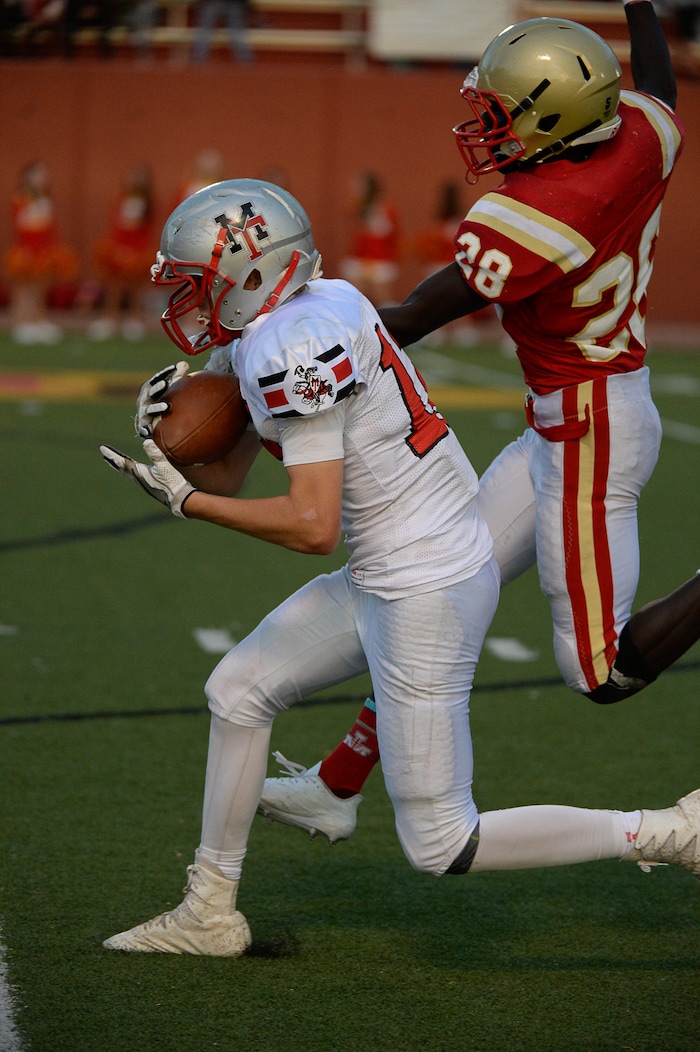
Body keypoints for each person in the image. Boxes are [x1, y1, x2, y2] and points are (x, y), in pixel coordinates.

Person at [98, 178, 700, 956]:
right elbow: (233, 477)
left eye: (197, 283)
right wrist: (175, 459)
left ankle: (671, 832)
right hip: (395, 565)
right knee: (238, 690)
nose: (185, 298)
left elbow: (312, 525)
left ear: (252, 275)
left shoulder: (294, 345)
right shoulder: (300, 311)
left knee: (443, 843)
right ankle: (209, 911)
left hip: (426, 584)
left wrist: (188, 505)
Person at [256, 2, 700, 845]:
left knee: (600, 671)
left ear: (553, 118)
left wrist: (274, 332)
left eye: (499, 114)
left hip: (588, 430)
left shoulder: (534, 216)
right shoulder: (643, 135)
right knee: (443, 588)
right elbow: (661, 82)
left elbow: (410, 319)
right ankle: (339, 784)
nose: (483, 127)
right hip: (567, 418)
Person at [3, 159, 80, 344]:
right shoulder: (21, 198)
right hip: (27, 249)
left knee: (41, 286)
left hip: (45, 250)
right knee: (25, 287)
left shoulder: (46, 198)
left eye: (43, 175)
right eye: (36, 174)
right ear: (26, 178)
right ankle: (21, 322)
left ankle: (39, 320)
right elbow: (21, 226)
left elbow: (50, 227)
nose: (40, 178)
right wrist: (27, 250)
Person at [88, 163, 157, 341]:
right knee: (114, 285)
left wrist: (138, 250)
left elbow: (147, 230)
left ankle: (134, 319)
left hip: (138, 249)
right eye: (133, 176)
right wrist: (118, 247)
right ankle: (109, 318)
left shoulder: (149, 202)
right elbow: (115, 225)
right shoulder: (120, 198)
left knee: (137, 286)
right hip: (118, 247)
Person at [340, 171, 401, 305]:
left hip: (380, 257)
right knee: (353, 296)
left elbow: (389, 232)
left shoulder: (385, 206)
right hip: (360, 257)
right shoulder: (357, 206)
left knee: (383, 297)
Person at [190, 0, 253, 65]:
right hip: (216, 4)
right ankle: (197, 60)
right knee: (205, 28)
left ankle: (245, 61)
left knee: (236, 29)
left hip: (232, 4)